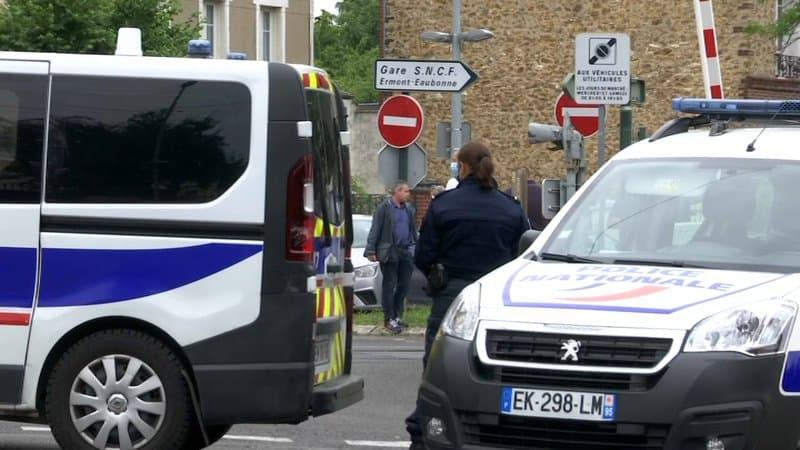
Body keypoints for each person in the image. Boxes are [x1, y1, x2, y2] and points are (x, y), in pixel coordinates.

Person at [405, 142, 530, 450]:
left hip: (451, 295)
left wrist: (440, 274)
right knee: (497, 368)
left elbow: (423, 254)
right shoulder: (510, 208)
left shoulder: (445, 205)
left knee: (437, 367)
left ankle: (426, 432)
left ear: (462, 167)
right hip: (497, 299)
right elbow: (524, 254)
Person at [364, 180, 418, 334]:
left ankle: (397, 315)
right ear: (397, 192)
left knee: (404, 285)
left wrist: (415, 247)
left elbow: (412, 230)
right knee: (390, 284)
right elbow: (376, 229)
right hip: (389, 251)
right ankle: (389, 318)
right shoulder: (384, 208)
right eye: (406, 191)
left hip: (406, 251)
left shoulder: (409, 209)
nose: (408, 194)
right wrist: (371, 250)